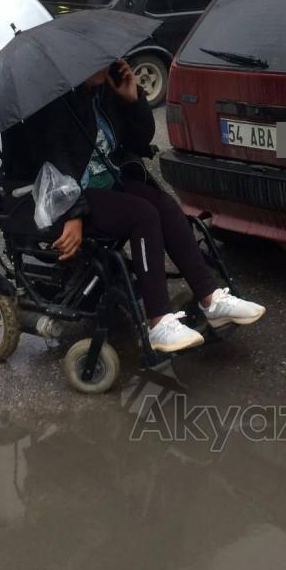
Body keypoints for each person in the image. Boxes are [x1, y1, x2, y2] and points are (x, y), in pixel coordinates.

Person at [24, 59, 265, 353]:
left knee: (164, 205)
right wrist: (73, 214)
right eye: (101, 60)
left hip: (110, 182)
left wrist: (132, 99)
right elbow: (54, 161)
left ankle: (210, 299)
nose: (110, 63)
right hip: (77, 194)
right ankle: (159, 322)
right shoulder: (57, 104)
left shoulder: (105, 94)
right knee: (142, 215)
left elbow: (139, 141)